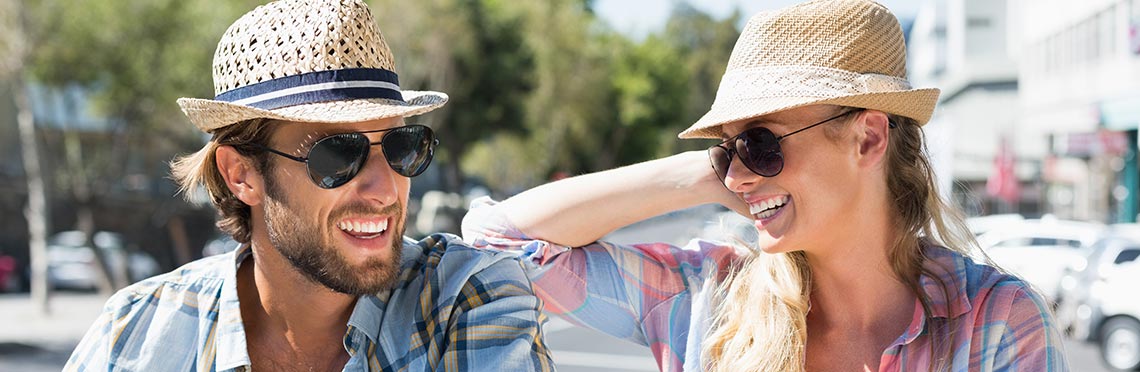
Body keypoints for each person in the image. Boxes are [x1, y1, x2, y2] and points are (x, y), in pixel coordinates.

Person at [462, 0, 1068, 371]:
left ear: (868, 139)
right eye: (726, 149)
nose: (738, 172)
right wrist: (698, 172)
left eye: (761, 141)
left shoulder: (996, 321)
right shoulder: (708, 299)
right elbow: (494, 241)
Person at [64, 0, 553, 371]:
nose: (386, 187)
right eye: (339, 154)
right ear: (242, 175)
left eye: (403, 146)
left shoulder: (466, 299)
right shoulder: (135, 332)